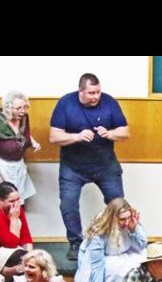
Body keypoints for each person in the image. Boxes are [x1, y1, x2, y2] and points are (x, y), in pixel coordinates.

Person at [49, 73, 129, 261]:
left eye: (98, 92)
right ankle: (76, 242)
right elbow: (54, 137)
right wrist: (76, 136)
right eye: (91, 93)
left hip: (105, 165)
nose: (95, 96)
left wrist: (109, 133)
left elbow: (125, 132)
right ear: (81, 91)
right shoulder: (65, 104)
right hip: (73, 168)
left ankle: (118, 239)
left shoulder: (109, 102)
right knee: (68, 204)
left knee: (118, 204)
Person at [75, 198, 147, 282]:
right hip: (104, 259)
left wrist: (134, 229)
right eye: (122, 219)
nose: (126, 222)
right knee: (118, 270)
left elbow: (141, 246)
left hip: (126, 253)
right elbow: (97, 264)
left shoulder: (129, 223)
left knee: (144, 263)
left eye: (128, 218)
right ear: (113, 218)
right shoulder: (99, 232)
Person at [0, 90, 41, 210]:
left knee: (16, 202)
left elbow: (22, 135)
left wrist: (33, 142)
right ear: (8, 108)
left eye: (25, 107)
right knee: (0, 203)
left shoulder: (24, 118)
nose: (23, 111)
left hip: (17, 166)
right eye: (18, 108)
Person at [0, 182, 34, 282]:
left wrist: (31, 256)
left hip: (14, 252)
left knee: (37, 262)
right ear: (0, 200)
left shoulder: (17, 208)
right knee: (21, 259)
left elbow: (25, 237)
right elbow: (11, 243)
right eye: (11, 201)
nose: (16, 204)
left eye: (18, 199)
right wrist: (14, 219)